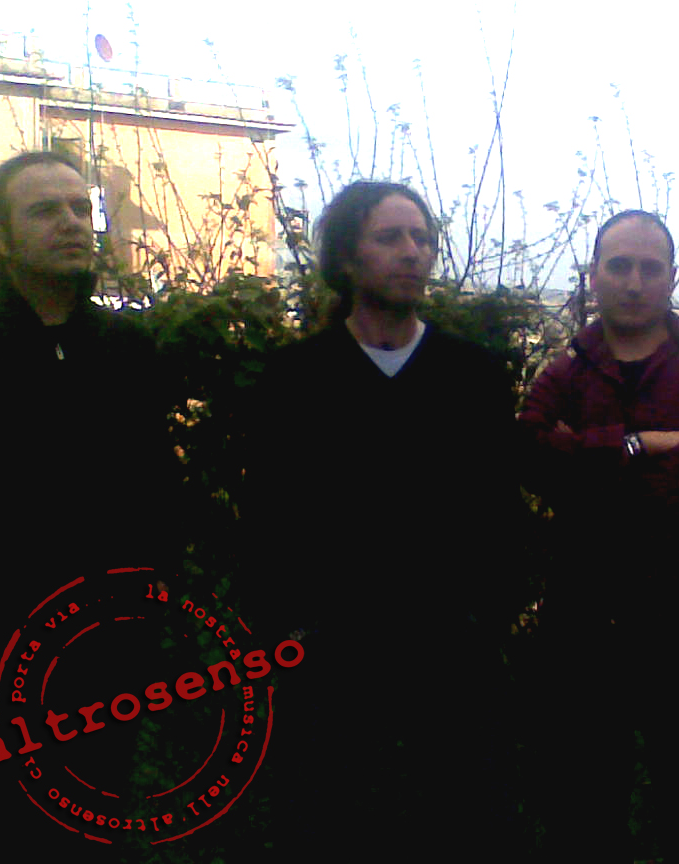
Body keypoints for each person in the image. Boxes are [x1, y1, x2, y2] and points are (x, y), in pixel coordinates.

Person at [241, 180, 521, 858]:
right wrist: (289, 631)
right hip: (330, 655)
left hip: (450, 651)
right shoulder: (295, 378)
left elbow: (498, 512)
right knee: (324, 826)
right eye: (389, 237)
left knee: (461, 825)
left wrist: (485, 616)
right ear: (346, 258)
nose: (412, 252)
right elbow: (269, 517)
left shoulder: (473, 376)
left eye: (421, 238)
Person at [518, 209, 679, 862]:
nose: (633, 282)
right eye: (619, 266)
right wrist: (641, 444)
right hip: (583, 617)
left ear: (672, 277)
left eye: (650, 268)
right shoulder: (566, 371)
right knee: (583, 806)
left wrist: (587, 461)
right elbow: (531, 455)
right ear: (594, 274)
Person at [0, 151, 174, 854]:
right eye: (46, 210)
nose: (74, 223)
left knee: (94, 821)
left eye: (82, 208)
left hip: (108, 648)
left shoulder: (125, 347)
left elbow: (153, 487)